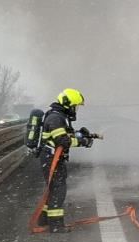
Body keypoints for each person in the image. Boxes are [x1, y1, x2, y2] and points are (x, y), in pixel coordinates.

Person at [38, 88, 98, 232]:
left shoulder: (59, 116)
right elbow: (62, 141)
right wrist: (82, 142)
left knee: (54, 189)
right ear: (68, 105)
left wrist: (80, 134)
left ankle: (43, 219)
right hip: (51, 158)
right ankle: (56, 226)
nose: (75, 109)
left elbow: (65, 134)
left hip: (53, 158)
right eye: (75, 106)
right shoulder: (56, 118)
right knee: (58, 190)